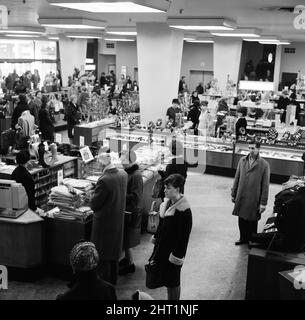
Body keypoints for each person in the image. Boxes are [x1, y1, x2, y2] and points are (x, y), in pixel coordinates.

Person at [149, 174, 192, 300]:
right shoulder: (167, 204)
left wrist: (176, 257)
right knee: (168, 280)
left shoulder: (184, 211)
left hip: (173, 253)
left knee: (173, 281)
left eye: (168, 188)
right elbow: (161, 226)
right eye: (165, 188)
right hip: (163, 250)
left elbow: (183, 238)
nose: (164, 190)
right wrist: (156, 242)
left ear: (178, 189)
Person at [90, 147, 128, 285]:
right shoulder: (123, 174)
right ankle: (112, 282)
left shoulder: (104, 180)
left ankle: (102, 287)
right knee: (113, 256)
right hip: (117, 221)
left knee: (102, 257)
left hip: (103, 224)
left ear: (102, 164)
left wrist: (90, 196)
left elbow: (94, 204)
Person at [231, 141, 270, 246]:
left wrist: (263, 203)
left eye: (253, 148)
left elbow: (265, 185)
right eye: (249, 148)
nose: (251, 150)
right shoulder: (242, 161)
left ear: (258, 149)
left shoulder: (264, 165)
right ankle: (243, 238)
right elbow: (237, 177)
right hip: (242, 195)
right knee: (241, 218)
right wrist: (233, 193)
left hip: (254, 198)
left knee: (252, 221)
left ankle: (252, 240)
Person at [118, 150, 143, 276]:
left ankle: (130, 264)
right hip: (128, 209)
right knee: (126, 236)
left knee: (128, 237)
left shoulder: (136, 175)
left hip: (132, 210)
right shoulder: (129, 172)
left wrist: (120, 193)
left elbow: (135, 196)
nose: (121, 163)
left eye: (123, 160)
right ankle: (127, 259)